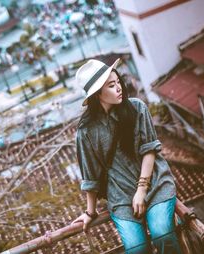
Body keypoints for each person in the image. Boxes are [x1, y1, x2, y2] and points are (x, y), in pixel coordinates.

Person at [70, 59, 182, 254]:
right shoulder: (86, 132)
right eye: (111, 86)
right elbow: (91, 177)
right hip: (120, 197)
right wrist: (90, 212)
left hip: (154, 185)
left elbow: (149, 150)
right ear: (97, 96)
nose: (119, 88)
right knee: (136, 249)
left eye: (118, 82)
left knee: (162, 234)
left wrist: (141, 190)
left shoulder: (137, 108)